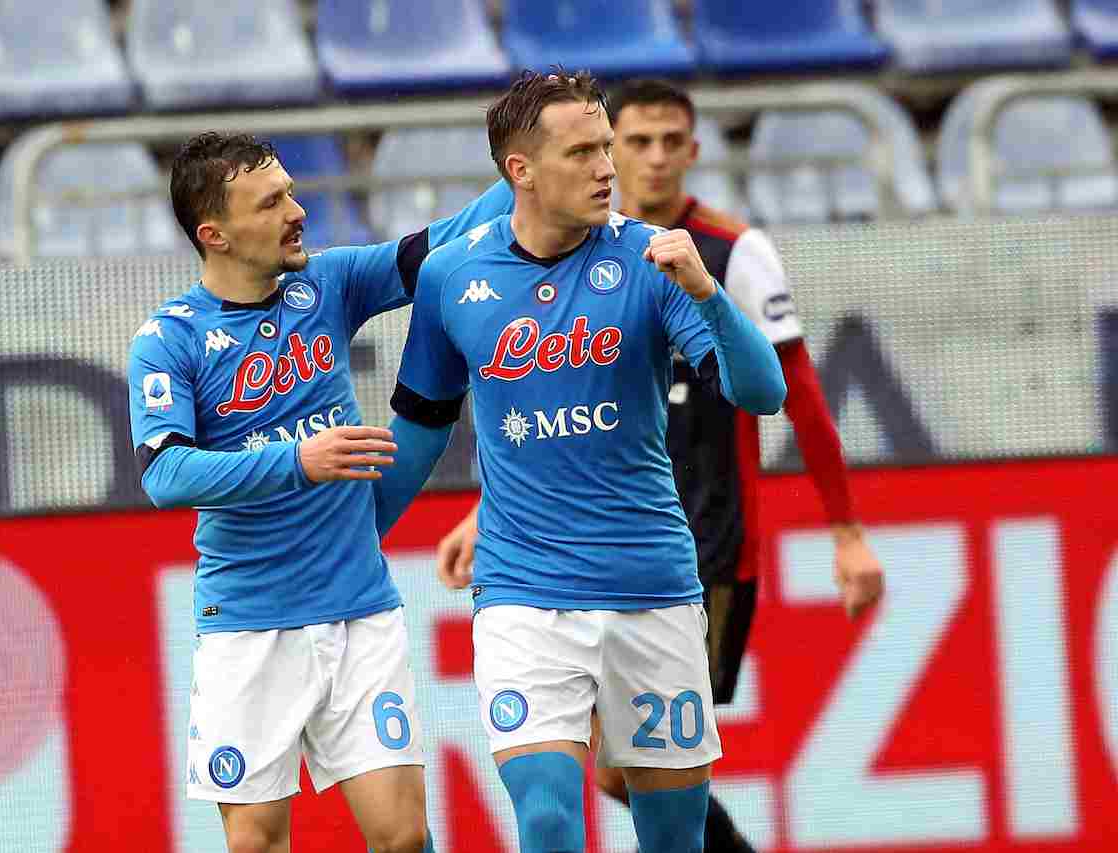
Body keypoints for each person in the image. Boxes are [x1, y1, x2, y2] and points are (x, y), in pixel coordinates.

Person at [435, 79, 887, 852]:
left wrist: (845, 528)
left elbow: (792, 393)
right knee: (569, 792)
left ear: (694, 150)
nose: (637, 161)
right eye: (619, 143)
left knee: (652, 787)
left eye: (659, 142)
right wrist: (486, 510)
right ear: (528, 167)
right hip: (544, 569)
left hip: (695, 544)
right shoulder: (493, 268)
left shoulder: (725, 251)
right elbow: (545, 410)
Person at [372, 70, 787, 853]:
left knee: (673, 833)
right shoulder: (450, 276)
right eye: (584, 151)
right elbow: (422, 425)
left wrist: (706, 292)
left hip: (653, 587)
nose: (609, 168)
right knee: (550, 816)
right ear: (519, 171)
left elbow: (761, 392)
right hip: (524, 593)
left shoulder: (651, 260)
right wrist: (359, 534)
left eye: (607, 147)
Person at [127, 131, 511, 853]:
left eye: (291, 191)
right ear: (215, 233)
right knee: (257, 843)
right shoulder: (168, 340)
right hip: (247, 622)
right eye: (271, 202)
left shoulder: (327, 283)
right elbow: (165, 474)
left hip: (358, 611)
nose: (297, 210)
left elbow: (454, 236)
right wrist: (297, 459)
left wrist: (534, 152)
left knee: (403, 835)